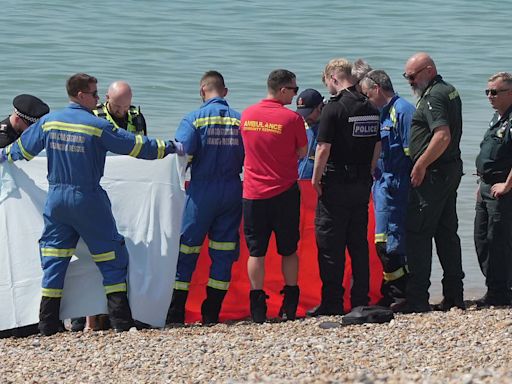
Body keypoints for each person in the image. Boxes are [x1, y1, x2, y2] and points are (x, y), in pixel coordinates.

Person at [0, 73, 184, 336]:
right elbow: (134, 146)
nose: (98, 99)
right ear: (80, 95)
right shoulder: (95, 125)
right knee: (111, 256)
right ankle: (120, 320)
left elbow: (20, 151)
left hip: (56, 201)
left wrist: (2, 155)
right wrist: (168, 148)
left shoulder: (48, 123)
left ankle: (47, 323)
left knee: (54, 258)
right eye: (95, 94)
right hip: (87, 199)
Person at [165, 71, 244, 325]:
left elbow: (181, 152)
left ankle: (176, 311)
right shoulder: (240, 120)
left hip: (201, 191)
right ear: (225, 92)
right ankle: (212, 313)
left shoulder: (194, 119)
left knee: (187, 249)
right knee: (223, 251)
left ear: (202, 90)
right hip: (233, 189)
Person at [308, 58, 380, 317]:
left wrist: (316, 180)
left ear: (334, 78)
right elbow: (376, 146)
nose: (327, 86)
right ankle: (360, 300)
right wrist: (369, 171)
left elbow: (323, 148)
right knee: (358, 244)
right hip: (361, 184)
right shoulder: (370, 106)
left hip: (336, 185)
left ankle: (332, 302)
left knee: (330, 245)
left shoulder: (333, 108)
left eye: (327, 81)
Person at [240, 69, 307, 323]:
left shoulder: (247, 115)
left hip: (253, 193)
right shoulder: (291, 120)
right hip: (284, 192)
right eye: (294, 89)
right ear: (282, 90)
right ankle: (290, 303)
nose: (295, 93)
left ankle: (257, 306)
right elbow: (302, 152)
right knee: (288, 249)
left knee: (256, 252)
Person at [400, 52, 464, 313]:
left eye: (412, 76)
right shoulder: (448, 90)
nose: (409, 82)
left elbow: (442, 136)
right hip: (448, 171)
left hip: (434, 174)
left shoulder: (433, 97)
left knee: (418, 233)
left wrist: (421, 164)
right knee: (447, 232)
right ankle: (454, 295)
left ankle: (417, 299)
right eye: (406, 77)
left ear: (427, 71)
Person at [359, 69, 415, 308]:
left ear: (377, 89)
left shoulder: (402, 111)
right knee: (381, 241)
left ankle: (400, 294)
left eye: (366, 94)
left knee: (391, 242)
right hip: (381, 184)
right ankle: (391, 291)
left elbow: (412, 151)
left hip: (397, 183)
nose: (365, 99)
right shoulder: (381, 112)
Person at [0, 94, 49, 338]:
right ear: (18, 119)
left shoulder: (33, 135)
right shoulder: (2, 138)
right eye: (32, 126)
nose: (35, 132)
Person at [474, 72, 512, 307]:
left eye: (495, 92)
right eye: (487, 91)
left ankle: (500, 292)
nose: (490, 96)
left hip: (502, 189)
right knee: (481, 239)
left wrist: (507, 184)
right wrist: (481, 184)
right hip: (486, 186)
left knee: (497, 240)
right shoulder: (496, 118)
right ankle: (494, 286)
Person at [297, 88, 324, 179]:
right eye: (303, 114)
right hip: (300, 180)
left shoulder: (328, 128)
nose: (305, 118)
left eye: (308, 113)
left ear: (320, 107)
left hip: (318, 182)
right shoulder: (303, 126)